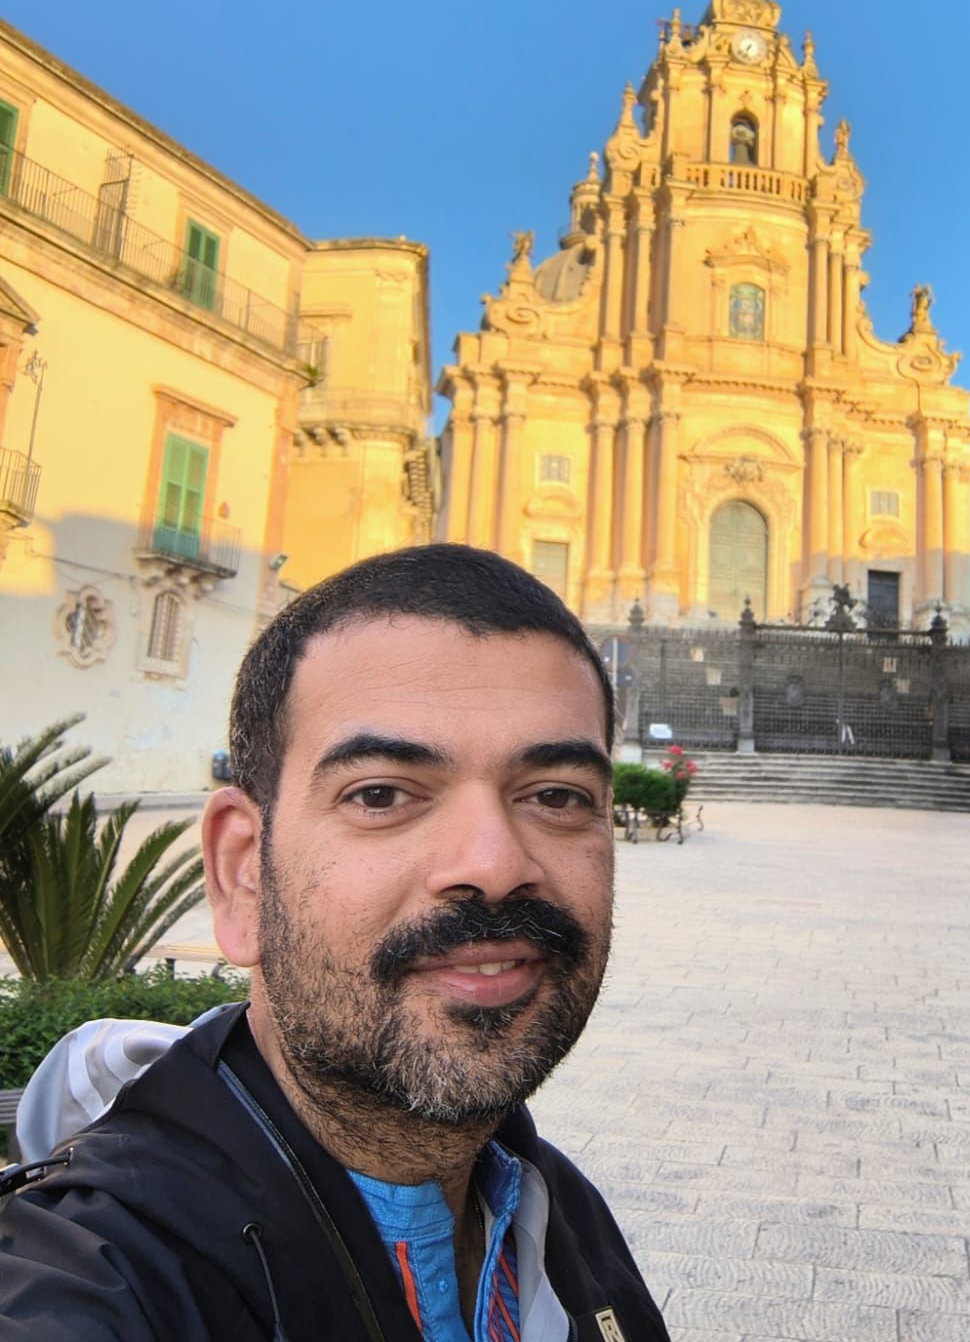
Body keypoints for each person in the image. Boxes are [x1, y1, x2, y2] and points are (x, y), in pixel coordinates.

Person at [0, 544, 669, 1341]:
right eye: (380, 794)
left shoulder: (563, 1218)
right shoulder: (86, 1285)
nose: (494, 867)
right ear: (242, 874)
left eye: (556, 796)